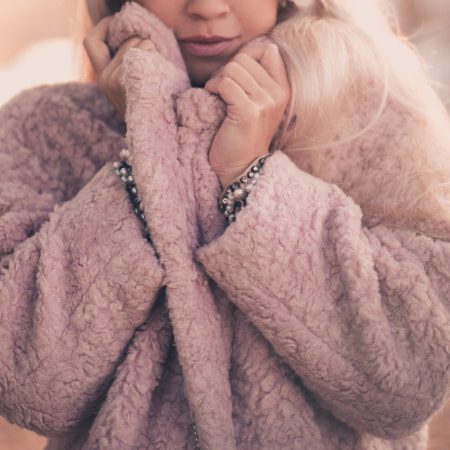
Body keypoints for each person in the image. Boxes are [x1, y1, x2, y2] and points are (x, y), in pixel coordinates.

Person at [0, 0, 449, 449]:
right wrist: (150, 143)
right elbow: (25, 383)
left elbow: (409, 381)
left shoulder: (371, 120)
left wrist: (248, 173)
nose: (208, 7)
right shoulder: (42, 128)